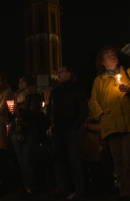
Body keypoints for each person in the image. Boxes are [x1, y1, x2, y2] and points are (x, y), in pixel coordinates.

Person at [91, 46, 130, 201]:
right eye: (108, 55)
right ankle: (123, 191)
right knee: (118, 160)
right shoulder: (99, 80)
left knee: (129, 157)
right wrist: (102, 114)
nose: (112, 57)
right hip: (111, 123)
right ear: (102, 62)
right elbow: (94, 101)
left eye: (113, 54)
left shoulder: (129, 73)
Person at [47, 66, 89, 200]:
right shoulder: (55, 92)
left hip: (69, 129)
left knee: (73, 159)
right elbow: (50, 111)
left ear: (70, 74)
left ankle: (79, 188)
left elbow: (83, 110)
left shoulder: (76, 90)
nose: (58, 73)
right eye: (58, 72)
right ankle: (61, 187)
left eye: (62, 71)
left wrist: (74, 126)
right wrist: (51, 125)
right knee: (58, 159)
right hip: (57, 130)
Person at [7, 74, 42, 200]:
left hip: (29, 130)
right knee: (21, 161)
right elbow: (10, 117)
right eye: (19, 81)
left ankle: (32, 188)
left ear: (29, 82)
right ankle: (25, 186)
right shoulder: (15, 97)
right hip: (17, 130)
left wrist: (18, 110)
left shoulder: (34, 96)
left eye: (23, 81)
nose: (20, 83)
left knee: (28, 161)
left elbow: (35, 114)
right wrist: (10, 112)